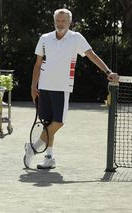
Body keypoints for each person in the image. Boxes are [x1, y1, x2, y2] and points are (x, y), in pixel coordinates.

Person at [25, 8, 119, 169]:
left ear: (69, 22)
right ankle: (48, 158)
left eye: (63, 21)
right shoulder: (44, 38)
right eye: (58, 21)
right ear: (54, 21)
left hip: (62, 87)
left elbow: (92, 55)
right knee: (48, 123)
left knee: (59, 122)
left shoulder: (76, 38)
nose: (60, 23)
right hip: (44, 87)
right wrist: (34, 86)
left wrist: (108, 71)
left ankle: (33, 148)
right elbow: (37, 64)